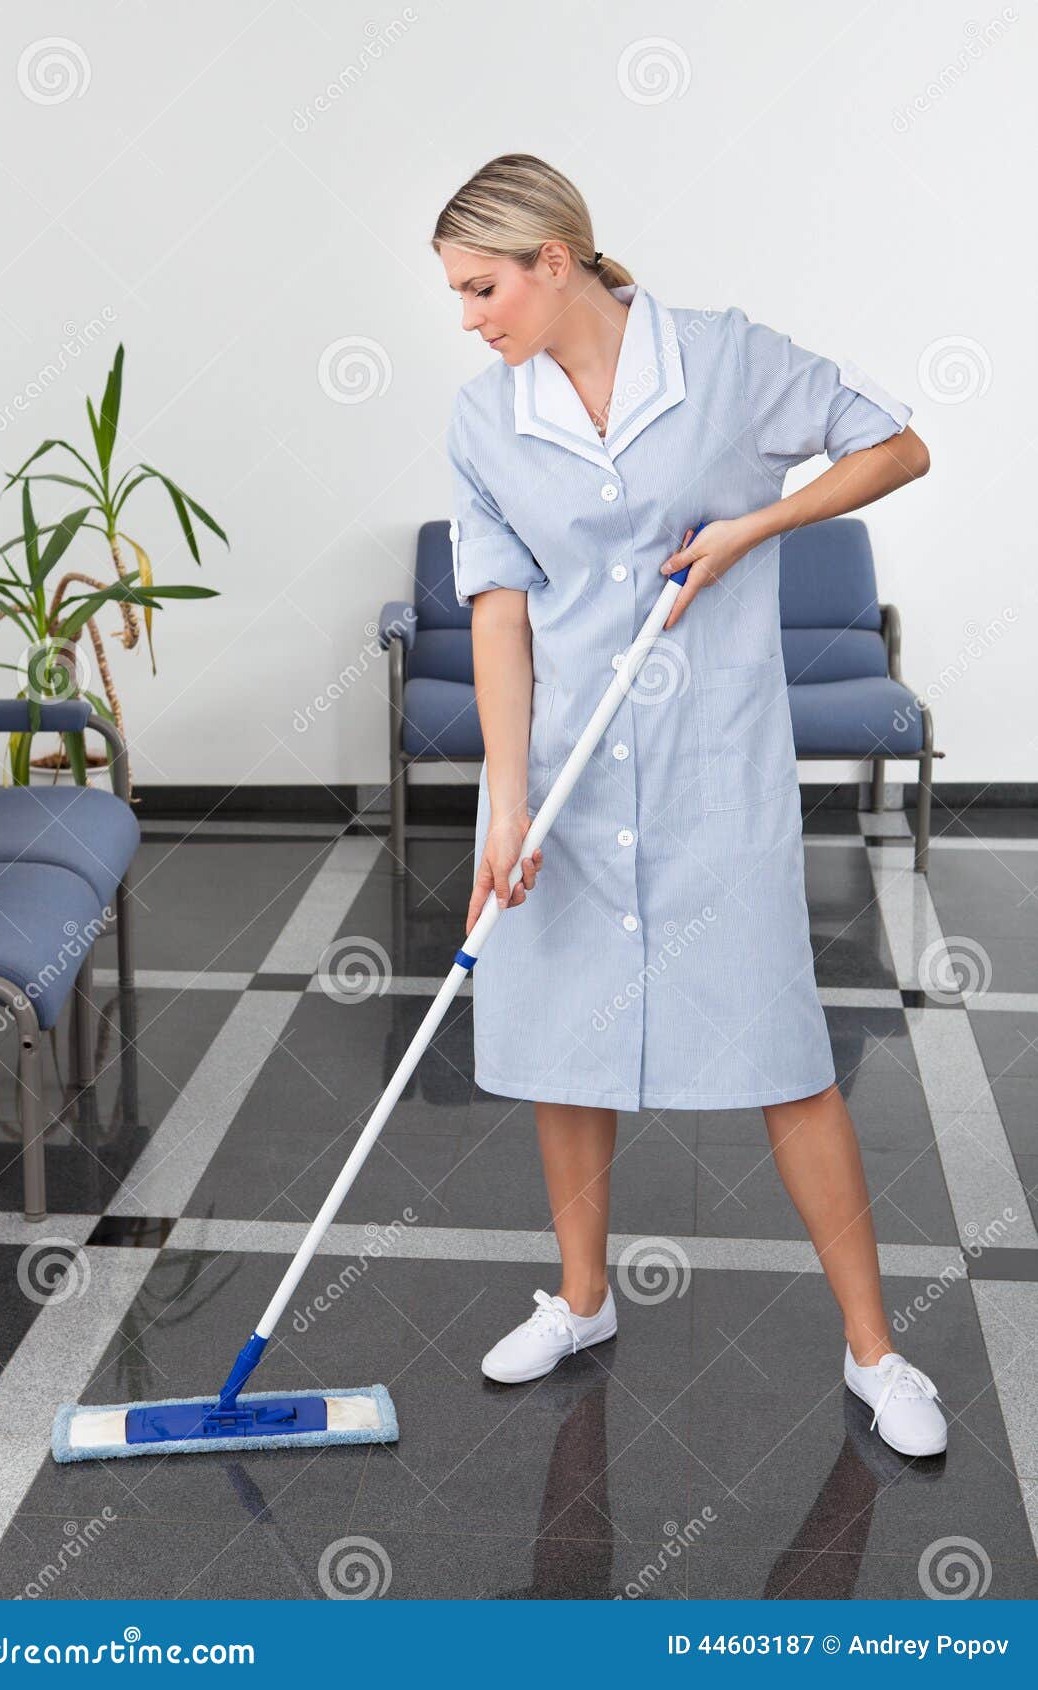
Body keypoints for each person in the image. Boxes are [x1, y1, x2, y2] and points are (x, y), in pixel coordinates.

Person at [432, 153, 946, 1458]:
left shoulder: (720, 360)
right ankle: (582, 1297)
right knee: (559, 1039)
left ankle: (877, 1351)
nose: (472, 316)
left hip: (717, 760)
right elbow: (498, 610)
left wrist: (754, 527)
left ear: (556, 258)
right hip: (567, 770)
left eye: (484, 286)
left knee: (785, 1050)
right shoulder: (484, 418)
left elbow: (898, 444)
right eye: (457, 295)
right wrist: (506, 800)